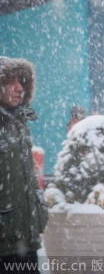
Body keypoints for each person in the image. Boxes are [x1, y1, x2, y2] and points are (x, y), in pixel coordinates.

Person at [0, 56, 48, 273]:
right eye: (11, 81)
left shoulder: (18, 122)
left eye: (21, 81)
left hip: (25, 238)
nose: (19, 87)